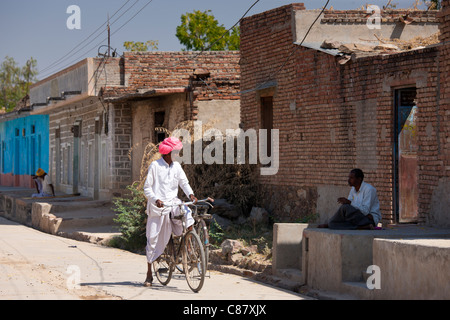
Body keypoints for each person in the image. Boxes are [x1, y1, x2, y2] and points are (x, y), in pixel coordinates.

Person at [142, 137, 197, 287]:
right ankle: (148, 273)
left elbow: (184, 183)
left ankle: (190, 245)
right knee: (152, 240)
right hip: (158, 207)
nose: (178, 154)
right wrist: (155, 199)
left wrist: (191, 195)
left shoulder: (177, 167)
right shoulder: (155, 166)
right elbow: (147, 188)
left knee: (187, 213)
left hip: (172, 202)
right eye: (176, 152)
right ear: (167, 153)